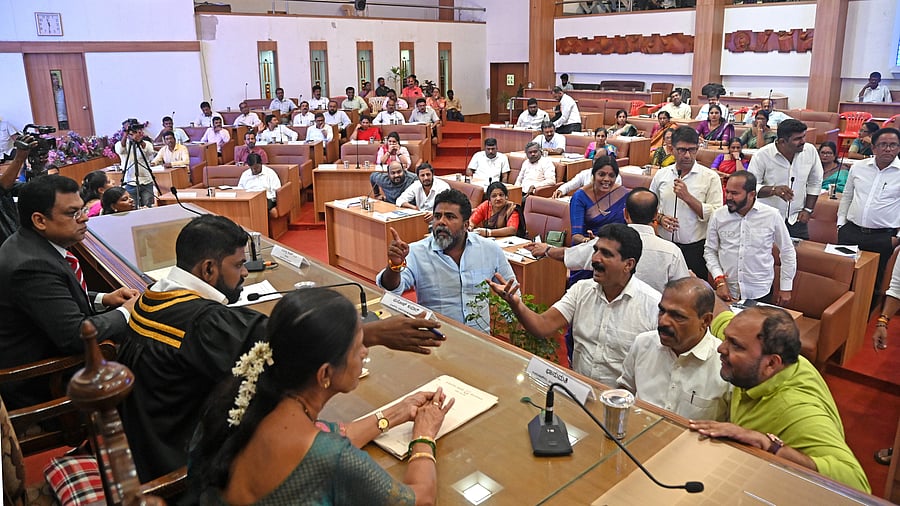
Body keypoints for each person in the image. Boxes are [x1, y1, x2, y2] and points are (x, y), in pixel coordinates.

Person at [121, 215, 448, 482]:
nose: (245, 272)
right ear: (208, 269)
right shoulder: (203, 322)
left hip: (147, 447)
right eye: (238, 265)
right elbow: (283, 343)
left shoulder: (155, 295)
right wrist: (372, 333)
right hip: (183, 471)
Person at [188, 288, 454, 505]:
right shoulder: (333, 459)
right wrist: (424, 435)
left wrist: (395, 413)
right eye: (358, 347)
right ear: (325, 373)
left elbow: (334, 433)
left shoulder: (242, 405)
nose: (365, 352)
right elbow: (420, 500)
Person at [689, 306, 871, 493]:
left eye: (735, 345)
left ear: (771, 363)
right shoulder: (758, 354)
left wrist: (769, 446)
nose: (721, 347)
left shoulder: (796, 411)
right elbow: (719, 312)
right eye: (727, 338)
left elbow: (858, 484)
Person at [0, 175, 139, 409]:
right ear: (40, 220)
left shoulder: (28, 244)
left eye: (82, 209)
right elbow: (75, 336)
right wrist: (126, 312)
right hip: (44, 382)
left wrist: (104, 299)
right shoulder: (31, 266)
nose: (84, 217)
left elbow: (56, 299)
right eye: (73, 213)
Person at [489, 223, 660, 386]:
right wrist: (515, 303)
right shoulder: (581, 290)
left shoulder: (653, 306)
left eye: (606, 254)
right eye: (595, 250)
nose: (595, 259)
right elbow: (542, 325)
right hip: (579, 394)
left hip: (623, 401)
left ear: (628, 264)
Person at [378, 189, 516, 333]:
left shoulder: (489, 249)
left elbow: (512, 291)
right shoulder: (416, 252)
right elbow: (391, 289)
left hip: (480, 338)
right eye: (437, 216)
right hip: (435, 337)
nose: (441, 222)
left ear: (466, 225)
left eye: (450, 217)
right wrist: (394, 266)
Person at [528, 188, 689, 294]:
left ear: (625, 214)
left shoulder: (605, 243)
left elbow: (569, 255)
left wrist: (546, 249)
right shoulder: (672, 252)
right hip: (653, 325)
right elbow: (682, 291)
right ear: (655, 215)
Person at [618, 278, 731, 421]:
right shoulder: (643, 344)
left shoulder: (723, 365)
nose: (663, 321)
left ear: (706, 321)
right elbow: (625, 390)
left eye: (677, 316)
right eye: (662, 311)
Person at [705, 171, 796, 304]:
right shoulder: (718, 215)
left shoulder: (771, 215)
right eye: (727, 191)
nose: (728, 197)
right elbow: (710, 251)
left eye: (734, 193)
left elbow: (787, 251)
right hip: (728, 290)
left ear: (752, 194)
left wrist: (786, 287)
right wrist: (719, 280)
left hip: (759, 291)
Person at [651, 126, 723, 281]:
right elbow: (651, 207)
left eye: (692, 150)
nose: (687, 155)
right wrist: (660, 218)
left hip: (695, 250)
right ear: (672, 149)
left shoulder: (710, 177)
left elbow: (717, 215)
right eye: (682, 150)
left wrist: (687, 197)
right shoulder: (661, 175)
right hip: (665, 246)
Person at [837, 127, 900, 288]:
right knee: (841, 278)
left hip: (883, 237)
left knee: (871, 284)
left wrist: (897, 238)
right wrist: (841, 224)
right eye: (883, 144)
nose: (888, 149)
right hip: (850, 232)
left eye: (893, 145)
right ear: (873, 148)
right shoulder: (858, 167)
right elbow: (847, 196)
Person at [748, 119, 823, 240]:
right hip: (766, 219)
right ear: (782, 141)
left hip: (797, 220)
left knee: (799, 252)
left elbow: (815, 182)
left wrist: (808, 210)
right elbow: (750, 187)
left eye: (804, 136)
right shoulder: (762, 156)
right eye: (797, 139)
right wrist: (773, 190)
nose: (803, 142)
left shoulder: (810, 151)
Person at [570, 155, 629, 245]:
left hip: (617, 246)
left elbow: (629, 224)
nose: (606, 179)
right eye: (601, 174)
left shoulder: (622, 193)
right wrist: (589, 241)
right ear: (594, 175)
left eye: (611, 175)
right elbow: (576, 236)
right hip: (588, 246)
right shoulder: (580, 197)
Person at [116, 120, 156, 208]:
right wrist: (126, 135)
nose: (132, 132)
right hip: (130, 182)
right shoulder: (120, 144)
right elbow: (121, 150)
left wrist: (139, 140)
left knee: (148, 207)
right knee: (132, 207)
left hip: (146, 181)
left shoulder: (146, 143)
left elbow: (150, 151)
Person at [0, 135, 31, 243]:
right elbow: (2, 187)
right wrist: (19, 158)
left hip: (16, 238)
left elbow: (27, 188)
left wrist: (38, 166)